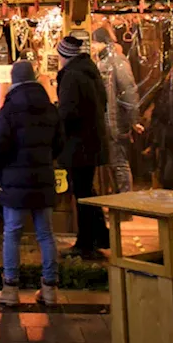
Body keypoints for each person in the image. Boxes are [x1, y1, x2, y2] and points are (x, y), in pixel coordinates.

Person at [0, 61, 64, 305]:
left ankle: (11, 289)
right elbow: (59, 143)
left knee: (12, 233)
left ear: (14, 80)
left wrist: (1, 166)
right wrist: (45, 159)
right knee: (46, 233)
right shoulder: (49, 107)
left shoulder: (9, 109)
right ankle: (50, 288)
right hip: (42, 178)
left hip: (15, 180)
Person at [56, 34, 110, 258]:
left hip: (78, 144)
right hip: (92, 141)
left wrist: (55, 120)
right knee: (87, 190)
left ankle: (86, 243)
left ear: (63, 56)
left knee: (82, 193)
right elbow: (103, 104)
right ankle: (100, 236)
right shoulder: (90, 72)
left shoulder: (71, 76)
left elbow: (68, 113)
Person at [92, 28, 142, 194]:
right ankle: (118, 203)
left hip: (115, 122)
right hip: (107, 121)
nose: (92, 46)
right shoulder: (103, 61)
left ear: (101, 42)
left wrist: (134, 119)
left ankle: (125, 205)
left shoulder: (117, 61)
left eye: (94, 42)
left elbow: (128, 90)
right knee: (113, 164)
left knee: (119, 163)